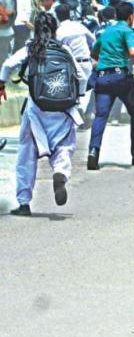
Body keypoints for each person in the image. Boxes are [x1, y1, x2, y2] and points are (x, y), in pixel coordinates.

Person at [0, 12, 87, 216]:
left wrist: (2, 83)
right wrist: (76, 96)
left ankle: (24, 203)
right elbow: (81, 77)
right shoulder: (64, 49)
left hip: (36, 111)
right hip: (63, 109)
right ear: (55, 29)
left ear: (36, 29)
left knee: (26, 155)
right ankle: (60, 172)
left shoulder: (31, 49)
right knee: (64, 147)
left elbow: (7, 65)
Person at [87, 1, 134, 170]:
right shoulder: (127, 31)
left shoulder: (106, 32)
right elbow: (133, 53)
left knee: (101, 116)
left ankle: (93, 152)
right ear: (131, 17)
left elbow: (94, 53)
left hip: (102, 77)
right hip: (121, 78)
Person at [55, 4, 96, 114]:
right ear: (69, 14)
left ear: (57, 16)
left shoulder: (58, 32)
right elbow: (93, 40)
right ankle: (81, 109)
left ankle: (77, 110)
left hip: (69, 64)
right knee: (86, 89)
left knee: (71, 90)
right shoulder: (79, 26)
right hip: (85, 62)